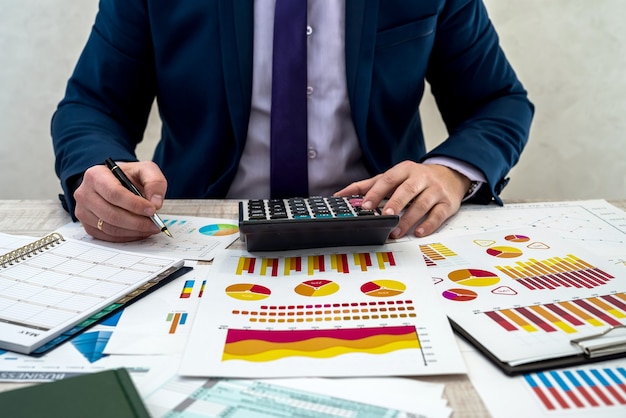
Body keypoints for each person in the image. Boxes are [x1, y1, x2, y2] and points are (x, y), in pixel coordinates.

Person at [52, 0, 533, 243]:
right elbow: (92, 106)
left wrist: (448, 174)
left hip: (384, 232)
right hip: (197, 233)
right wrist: (101, 173)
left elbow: (498, 101)